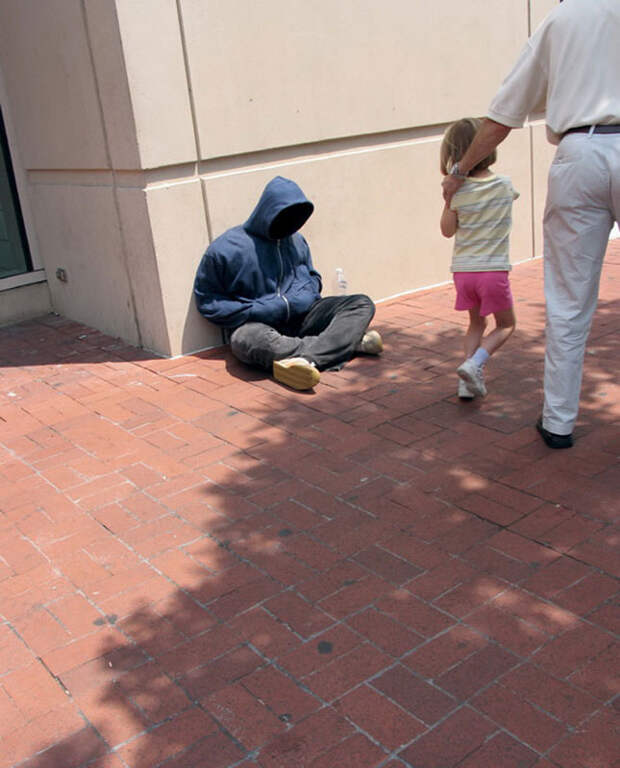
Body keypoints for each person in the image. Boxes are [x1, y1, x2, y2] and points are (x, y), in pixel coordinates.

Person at [442, 0, 620, 449]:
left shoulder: (561, 19)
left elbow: (502, 117)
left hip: (580, 153)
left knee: (568, 301)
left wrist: (458, 173)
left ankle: (558, 423)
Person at [193, 175, 383, 390]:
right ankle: (349, 344)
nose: (291, 222)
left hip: (304, 317)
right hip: (259, 325)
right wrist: (256, 309)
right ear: (266, 210)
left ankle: (307, 358)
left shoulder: (297, 240)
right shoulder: (226, 249)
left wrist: (302, 297)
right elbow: (209, 301)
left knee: (360, 303)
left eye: (296, 216)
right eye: (284, 214)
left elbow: (312, 278)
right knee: (245, 341)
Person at [440, 118, 518, 400]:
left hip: (463, 273)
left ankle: (466, 382)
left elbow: (447, 231)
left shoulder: (457, 193)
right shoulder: (505, 185)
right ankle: (474, 364)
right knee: (507, 325)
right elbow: (511, 197)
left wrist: (449, 199)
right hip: (493, 271)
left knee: (476, 324)